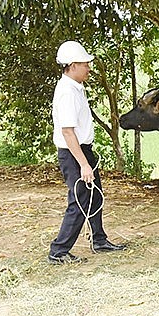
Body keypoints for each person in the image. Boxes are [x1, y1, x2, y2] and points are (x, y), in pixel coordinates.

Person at [48, 41, 127, 264]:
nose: (89, 68)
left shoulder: (75, 88)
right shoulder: (67, 92)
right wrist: (83, 164)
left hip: (82, 151)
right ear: (72, 66)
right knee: (80, 200)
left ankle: (99, 240)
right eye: (85, 64)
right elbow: (67, 132)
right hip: (73, 153)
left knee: (94, 197)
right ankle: (59, 250)